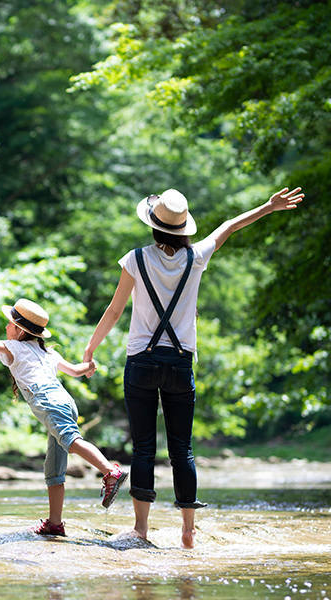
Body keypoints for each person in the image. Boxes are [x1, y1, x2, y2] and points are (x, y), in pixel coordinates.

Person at [82, 187, 304, 548]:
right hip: (180, 363)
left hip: (141, 360)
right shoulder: (195, 257)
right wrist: (268, 206)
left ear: (153, 226)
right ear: (185, 229)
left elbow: (115, 310)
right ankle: (188, 530)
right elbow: (229, 226)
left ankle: (141, 529)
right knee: (182, 449)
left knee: (143, 448)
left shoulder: (135, 259)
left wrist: (90, 349)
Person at [0, 299, 128, 537]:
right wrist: (89, 366)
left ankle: (109, 471)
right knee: (54, 469)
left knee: (71, 440)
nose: (6, 329)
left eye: (9, 325)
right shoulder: (48, 351)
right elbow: (75, 370)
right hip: (65, 400)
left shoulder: (15, 347)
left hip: (48, 402)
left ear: (20, 330)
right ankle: (55, 523)